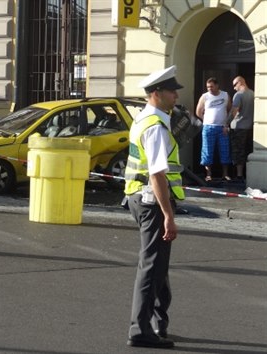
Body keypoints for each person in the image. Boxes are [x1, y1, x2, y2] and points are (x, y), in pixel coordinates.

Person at [124, 65, 185, 349]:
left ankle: (159, 322)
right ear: (157, 93)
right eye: (172, 91)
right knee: (151, 268)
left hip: (138, 198)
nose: (176, 95)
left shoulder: (143, 119)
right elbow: (157, 174)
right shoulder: (156, 127)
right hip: (152, 201)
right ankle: (140, 330)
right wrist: (168, 216)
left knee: (157, 265)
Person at [195, 77, 232, 182]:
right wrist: (205, 120)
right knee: (207, 151)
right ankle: (208, 174)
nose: (209, 88)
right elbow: (198, 111)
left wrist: (227, 124)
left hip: (222, 128)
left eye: (211, 86)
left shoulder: (225, 95)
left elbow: (230, 110)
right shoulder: (205, 96)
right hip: (208, 127)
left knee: (225, 150)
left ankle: (225, 174)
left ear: (217, 85)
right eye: (207, 87)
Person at [227, 76, 254, 182]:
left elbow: (234, 111)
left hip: (238, 127)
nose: (234, 88)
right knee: (248, 150)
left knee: (238, 151)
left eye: (234, 85)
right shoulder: (253, 94)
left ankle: (239, 176)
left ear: (240, 82)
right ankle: (248, 175)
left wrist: (226, 124)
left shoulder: (238, 95)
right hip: (250, 127)